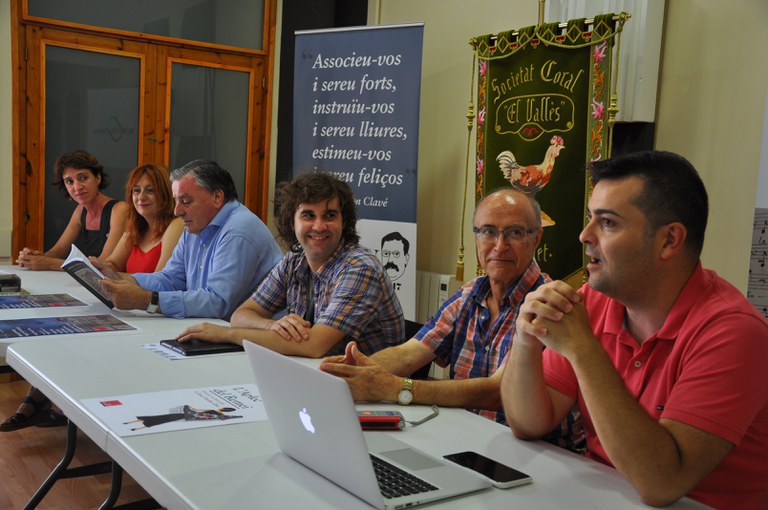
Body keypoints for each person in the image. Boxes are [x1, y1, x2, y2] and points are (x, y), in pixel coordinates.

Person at [500, 151, 768, 508]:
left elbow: (662, 483)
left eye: (608, 223)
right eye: (590, 219)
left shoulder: (735, 333)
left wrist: (583, 349)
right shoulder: (595, 301)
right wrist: (525, 339)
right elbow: (529, 423)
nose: (584, 235)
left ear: (669, 240)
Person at [319, 189, 582, 451]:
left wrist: (398, 388)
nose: (499, 246)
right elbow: (409, 353)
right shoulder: (470, 293)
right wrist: (351, 373)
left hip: (538, 455)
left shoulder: (548, 306)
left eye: (514, 232)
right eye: (488, 232)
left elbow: (498, 391)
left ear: (536, 239)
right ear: (476, 237)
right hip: (469, 442)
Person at [176, 172, 404, 358]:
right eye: (308, 215)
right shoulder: (295, 260)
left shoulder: (360, 268)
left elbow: (314, 346)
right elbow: (242, 314)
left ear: (344, 222)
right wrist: (271, 326)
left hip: (370, 389)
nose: (319, 226)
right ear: (291, 222)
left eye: (330, 216)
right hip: (317, 376)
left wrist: (227, 334)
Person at [101, 159, 282, 320]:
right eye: (176, 201)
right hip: (217, 328)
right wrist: (121, 279)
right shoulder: (195, 224)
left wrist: (148, 300)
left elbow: (218, 303)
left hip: (254, 336)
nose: (177, 211)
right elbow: (171, 279)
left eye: (186, 201)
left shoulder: (238, 231)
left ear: (217, 197)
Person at [16, 150, 128, 271]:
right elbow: (57, 251)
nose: (77, 187)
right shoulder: (80, 210)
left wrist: (49, 263)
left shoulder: (120, 209)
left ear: (98, 178)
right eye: (69, 181)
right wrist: (34, 258)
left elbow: (103, 265)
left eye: (83, 178)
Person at [96, 163, 184, 273]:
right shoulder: (135, 227)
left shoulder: (177, 224)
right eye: (136, 190)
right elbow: (113, 264)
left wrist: (118, 276)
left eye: (150, 190)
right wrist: (95, 265)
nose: (141, 197)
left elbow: (161, 279)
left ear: (166, 194)